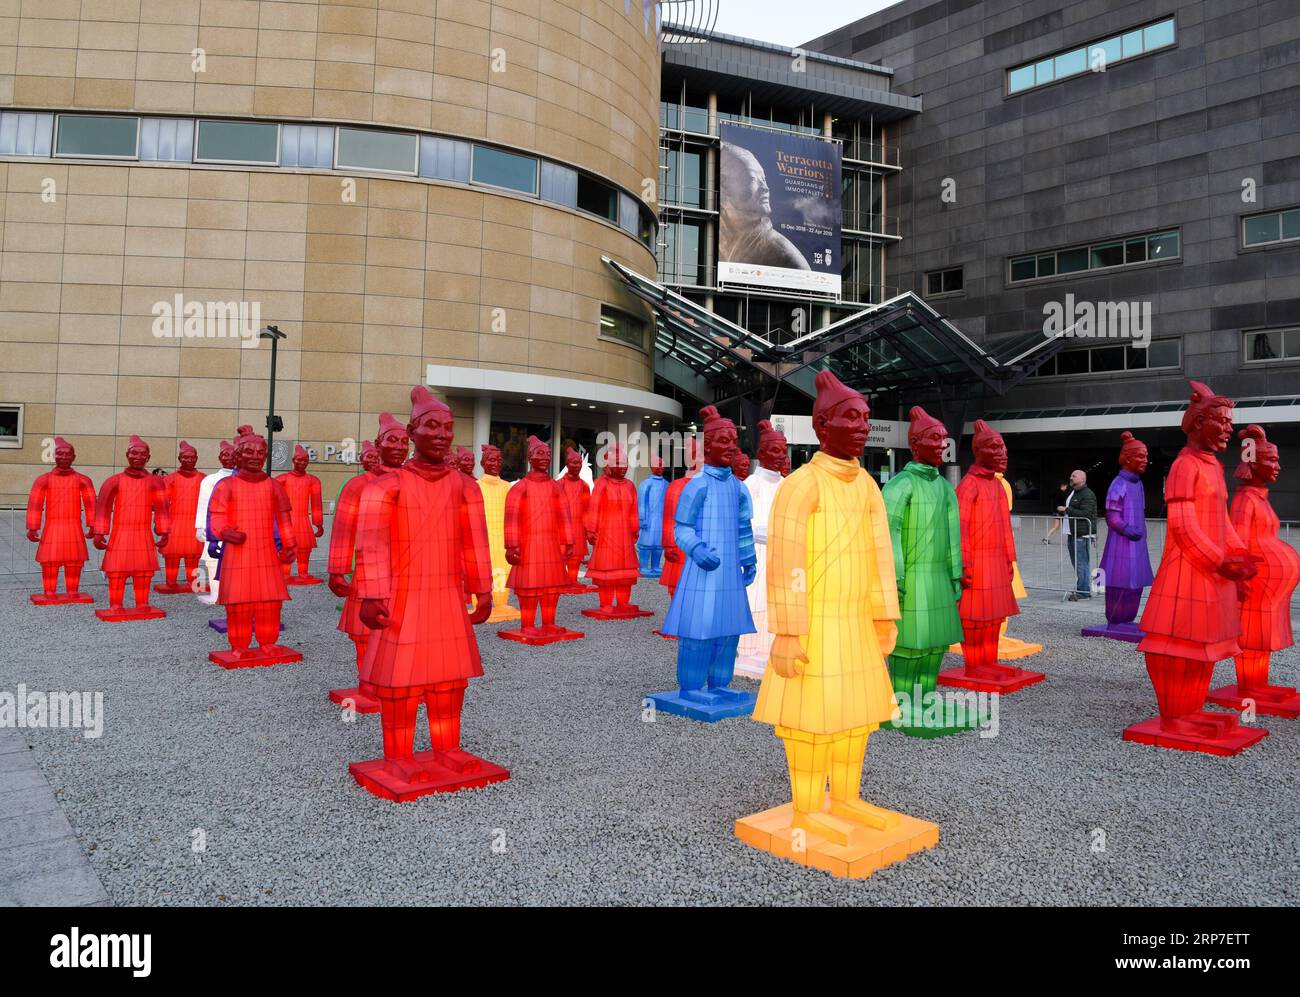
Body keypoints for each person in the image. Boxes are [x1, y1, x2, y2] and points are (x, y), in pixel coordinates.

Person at [1060, 469, 1098, 599]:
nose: (1071, 477)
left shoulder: (1087, 494)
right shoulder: (1074, 492)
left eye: (1074, 476)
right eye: (1071, 475)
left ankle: (1083, 591)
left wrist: (1067, 509)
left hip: (1081, 533)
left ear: (1082, 479)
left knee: (1082, 563)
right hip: (1072, 532)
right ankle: (1082, 588)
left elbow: (1086, 514)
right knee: (1077, 563)